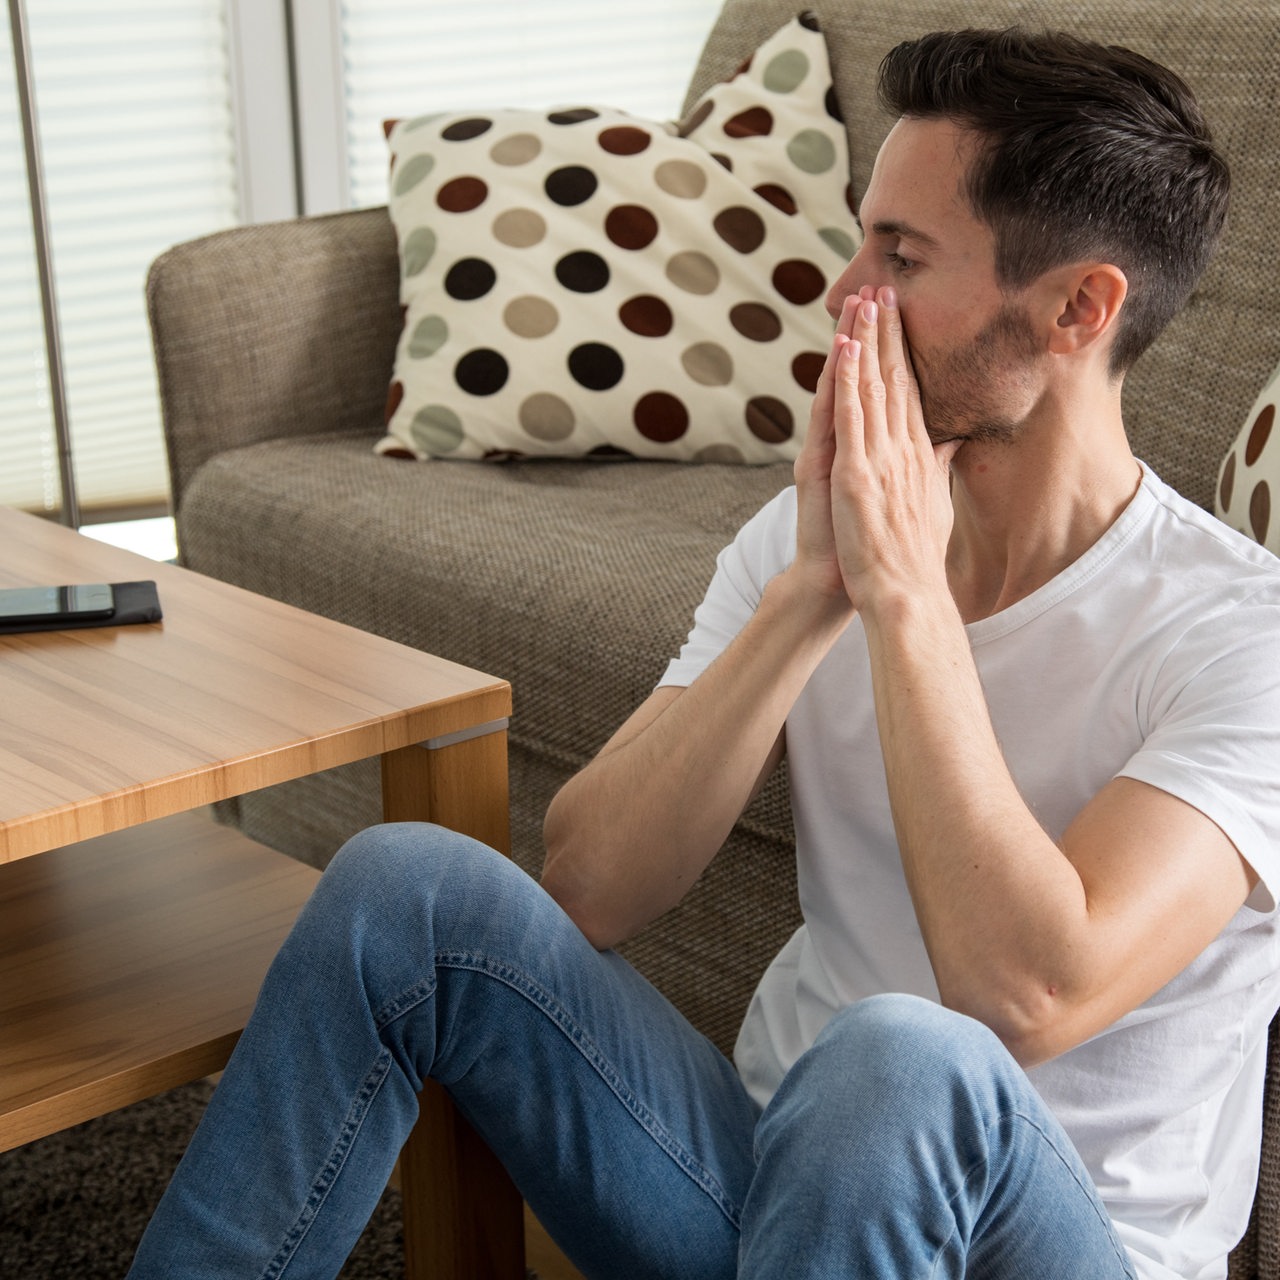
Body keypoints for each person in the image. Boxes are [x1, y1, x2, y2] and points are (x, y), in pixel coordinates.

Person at [127, 26, 1280, 1280]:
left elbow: (1029, 997)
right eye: (859, 239)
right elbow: (589, 885)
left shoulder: (1236, 633)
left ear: (1077, 306)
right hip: (765, 1191)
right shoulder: (810, 547)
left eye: (899, 256)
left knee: (901, 1052)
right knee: (406, 888)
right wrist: (806, 594)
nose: (844, 294)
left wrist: (903, 601)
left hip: (1053, 1249)